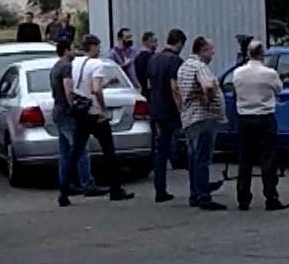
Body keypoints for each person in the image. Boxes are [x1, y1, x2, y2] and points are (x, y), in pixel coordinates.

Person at [58, 34, 132, 206]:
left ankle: (64, 191)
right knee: (109, 152)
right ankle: (116, 189)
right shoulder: (97, 64)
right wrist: (103, 110)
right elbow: (96, 90)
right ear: (92, 47)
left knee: (75, 151)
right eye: (98, 46)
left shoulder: (74, 63)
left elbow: (80, 87)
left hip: (81, 112)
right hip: (95, 113)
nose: (99, 50)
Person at [231, 40, 286, 211]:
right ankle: (271, 197)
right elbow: (279, 89)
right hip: (264, 117)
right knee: (268, 158)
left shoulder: (238, 73)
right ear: (262, 54)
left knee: (245, 159)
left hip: (244, 118)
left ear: (248, 53)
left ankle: (243, 198)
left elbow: (235, 91)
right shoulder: (269, 73)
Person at [176, 35, 226, 211]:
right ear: (203, 50)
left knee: (194, 157)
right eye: (211, 50)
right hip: (203, 118)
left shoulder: (184, 67)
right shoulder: (200, 66)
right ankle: (204, 196)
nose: (213, 53)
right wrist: (209, 99)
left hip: (189, 118)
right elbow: (208, 86)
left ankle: (194, 193)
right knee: (203, 158)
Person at [48, 39, 95, 198]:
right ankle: (87, 183)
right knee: (80, 147)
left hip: (58, 111)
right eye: (73, 48)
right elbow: (68, 89)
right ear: (66, 50)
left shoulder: (55, 67)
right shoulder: (66, 67)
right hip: (67, 113)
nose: (75, 52)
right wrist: (74, 106)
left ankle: (65, 184)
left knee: (65, 151)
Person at [148, 29, 186, 202]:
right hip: (171, 110)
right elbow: (175, 86)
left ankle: (160, 189)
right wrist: (181, 108)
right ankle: (199, 186)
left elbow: (149, 83)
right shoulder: (175, 60)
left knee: (161, 151)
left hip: (156, 108)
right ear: (178, 43)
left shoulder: (153, 58)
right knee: (187, 147)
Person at [133, 31, 159, 102]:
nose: (156, 43)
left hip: (145, 90)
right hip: (150, 91)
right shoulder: (147, 57)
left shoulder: (139, 57)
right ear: (146, 42)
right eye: (153, 41)